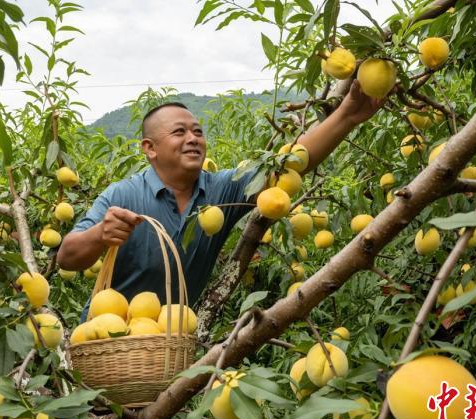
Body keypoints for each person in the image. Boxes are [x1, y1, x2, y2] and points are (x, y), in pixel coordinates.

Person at [57, 81, 383, 320]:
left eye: (198, 132)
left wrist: (347, 116)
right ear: (149, 148)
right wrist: (100, 233)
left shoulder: (221, 190)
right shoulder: (123, 195)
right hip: (106, 343)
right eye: (179, 132)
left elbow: (287, 164)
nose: (193, 139)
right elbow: (67, 258)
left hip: (168, 347)